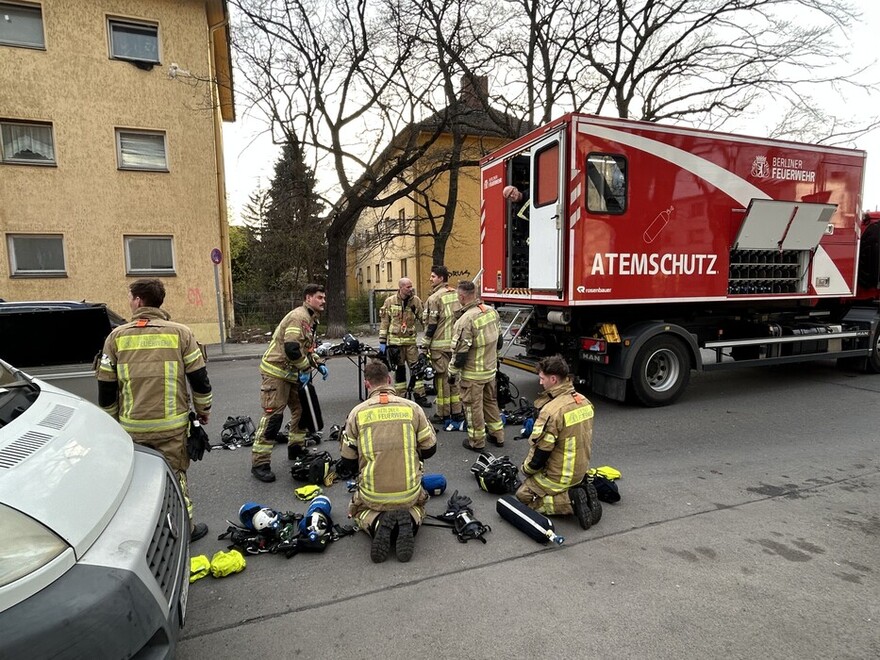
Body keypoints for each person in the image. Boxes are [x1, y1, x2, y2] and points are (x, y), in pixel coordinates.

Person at [97, 278, 212, 542]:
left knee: (138, 480)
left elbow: (105, 386)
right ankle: (186, 529)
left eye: (130, 297)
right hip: (171, 426)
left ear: (138, 301)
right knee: (176, 476)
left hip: (132, 427)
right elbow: (199, 378)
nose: (129, 302)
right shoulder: (181, 333)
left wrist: (112, 420)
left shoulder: (115, 338)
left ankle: (143, 535)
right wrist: (203, 409)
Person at [337, 360, 437, 563]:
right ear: (389, 380)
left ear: (367, 384)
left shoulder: (357, 414)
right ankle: (410, 518)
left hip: (372, 494)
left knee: (355, 510)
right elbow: (429, 449)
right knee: (420, 504)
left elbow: (347, 462)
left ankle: (376, 522)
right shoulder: (413, 409)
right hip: (409, 492)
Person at [250, 283, 329, 483]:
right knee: (273, 418)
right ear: (308, 298)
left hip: (292, 373)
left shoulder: (310, 319)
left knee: (301, 410)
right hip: (276, 373)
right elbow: (292, 348)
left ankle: (296, 448)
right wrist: (305, 368)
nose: (323, 301)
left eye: (324, 298)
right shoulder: (299, 316)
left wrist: (317, 363)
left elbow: (305, 348)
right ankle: (260, 463)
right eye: (319, 297)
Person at [516, 355, 594, 529]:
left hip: (560, 476)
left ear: (553, 379)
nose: (540, 383)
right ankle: (580, 493)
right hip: (581, 472)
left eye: (542, 379)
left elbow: (540, 454)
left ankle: (569, 502)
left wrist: (525, 469)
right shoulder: (584, 401)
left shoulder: (551, 411)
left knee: (523, 495)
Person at [448, 280, 505, 451]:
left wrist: (451, 373)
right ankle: (498, 435)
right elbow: (500, 342)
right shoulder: (491, 312)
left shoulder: (466, 320)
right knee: (490, 403)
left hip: (473, 375)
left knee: (473, 408)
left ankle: (476, 441)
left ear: (462, 296)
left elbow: (460, 354)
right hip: (490, 370)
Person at [421, 265, 463, 425]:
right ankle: (457, 411)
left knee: (441, 379)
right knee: (454, 376)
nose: (430, 279)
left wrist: (424, 344)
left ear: (441, 278)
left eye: (433, 276)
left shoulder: (435, 298)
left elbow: (431, 325)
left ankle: (443, 413)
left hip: (438, 345)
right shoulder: (456, 295)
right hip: (454, 344)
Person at [378, 277, 429, 407]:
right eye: (408, 287)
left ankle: (420, 396)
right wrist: (382, 342)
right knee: (399, 372)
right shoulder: (390, 301)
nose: (410, 289)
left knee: (417, 370)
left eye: (411, 286)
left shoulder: (415, 301)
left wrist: (428, 337)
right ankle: (401, 397)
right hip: (395, 344)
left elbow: (424, 320)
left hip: (410, 343)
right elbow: (384, 323)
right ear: (400, 288)